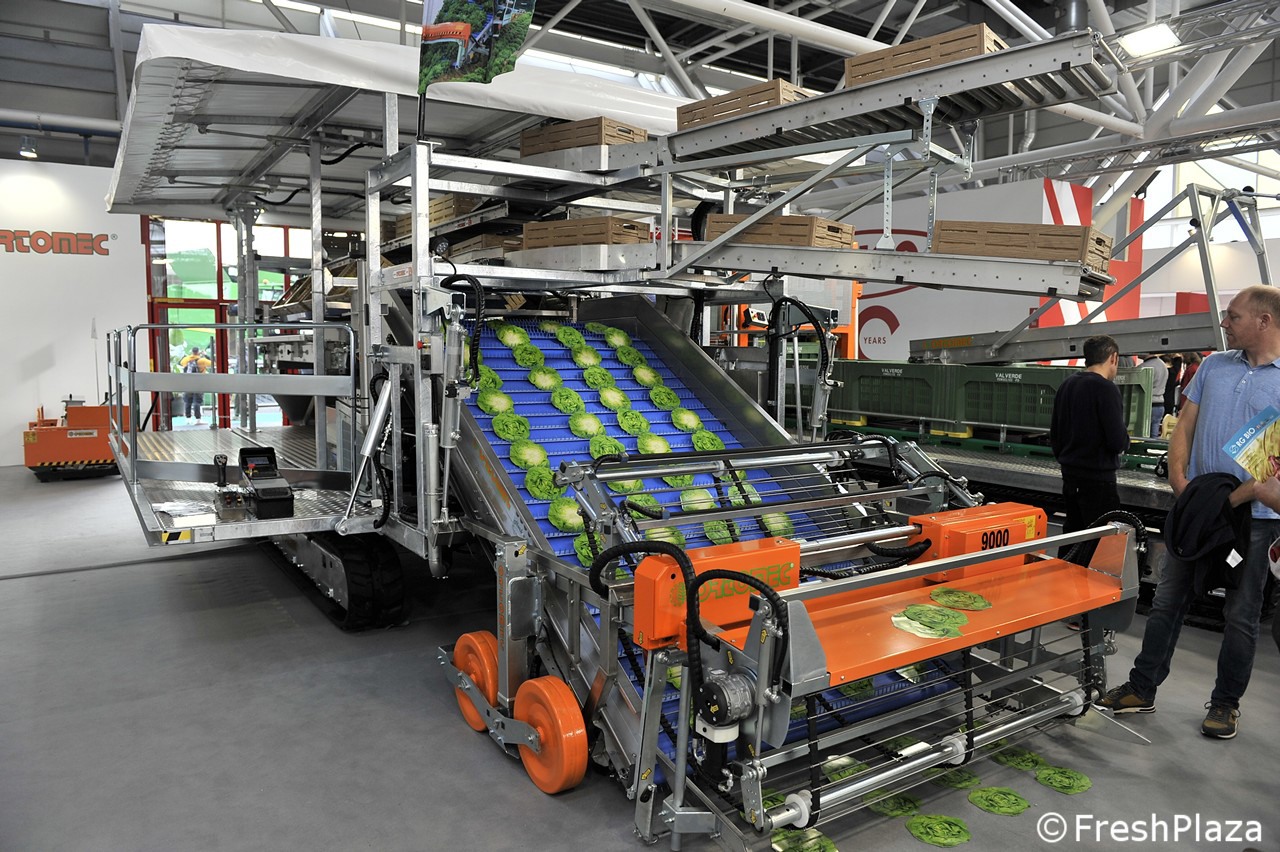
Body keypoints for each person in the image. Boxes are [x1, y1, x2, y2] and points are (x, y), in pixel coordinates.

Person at [1098, 285, 1280, 739]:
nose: (1224, 323)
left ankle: (1225, 704)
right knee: (1167, 600)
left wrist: (1234, 498)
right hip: (1196, 509)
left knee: (1240, 614)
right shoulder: (1215, 366)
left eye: (1233, 316)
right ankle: (1142, 687)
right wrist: (1180, 480)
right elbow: (1185, 425)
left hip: (1256, 521)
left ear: (1264, 321)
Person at [1050, 334, 1130, 563]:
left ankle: (1064, 579)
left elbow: (1055, 433)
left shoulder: (1067, 385)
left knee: (1072, 537)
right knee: (1100, 545)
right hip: (1098, 480)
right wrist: (1126, 442)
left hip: (1070, 476)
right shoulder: (1106, 389)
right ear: (1113, 358)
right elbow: (1116, 440)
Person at [1137, 353, 1169, 437]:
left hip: (1147, 404)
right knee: (1154, 435)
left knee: (1142, 435)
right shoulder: (1163, 365)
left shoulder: (1143, 368)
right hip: (1160, 403)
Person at [178, 346, 211, 422]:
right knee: (197, 401)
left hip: (188, 383)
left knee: (188, 401)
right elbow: (213, 363)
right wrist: (205, 355)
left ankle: (188, 418)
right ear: (198, 352)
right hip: (198, 383)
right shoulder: (202, 360)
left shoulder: (186, 359)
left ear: (192, 352)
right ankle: (198, 419)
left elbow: (181, 363)